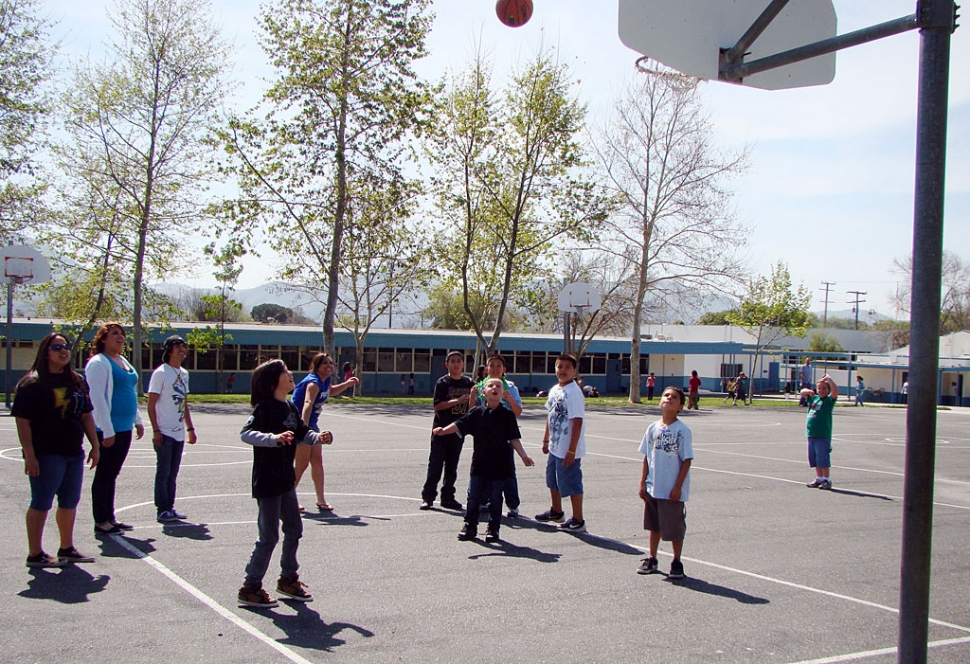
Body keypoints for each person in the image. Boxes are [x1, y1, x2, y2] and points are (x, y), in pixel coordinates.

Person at [237, 359, 331, 608]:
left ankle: (288, 579)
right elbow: (246, 433)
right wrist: (273, 438)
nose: (291, 374)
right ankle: (250, 586)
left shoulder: (289, 407)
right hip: (267, 481)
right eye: (285, 372)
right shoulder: (265, 407)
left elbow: (302, 432)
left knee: (294, 529)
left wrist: (318, 436)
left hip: (285, 480)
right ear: (272, 381)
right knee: (268, 537)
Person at [14, 333, 100, 568]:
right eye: (57, 347)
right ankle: (35, 554)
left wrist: (95, 445)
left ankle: (67, 548)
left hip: (73, 451)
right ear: (45, 352)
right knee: (41, 502)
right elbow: (23, 422)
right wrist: (29, 455)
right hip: (46, 453)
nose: (63, 351)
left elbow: (86, 415)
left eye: (66, 347)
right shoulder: (32, 383)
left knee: (70, 501)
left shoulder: (76, 381)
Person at [435, 378, 534, 542]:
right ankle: (470, 526)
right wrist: (443, 430)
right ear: (484, 392)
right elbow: (460, 424)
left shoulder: (507, 416)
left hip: (500, 466)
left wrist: (523, 455)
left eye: (499, 387)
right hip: (480, 464)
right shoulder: (476, 413)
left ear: (503, 394)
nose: (495, 388)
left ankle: (493, 529)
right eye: (491, 386)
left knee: (495, 499)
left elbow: (514, 438)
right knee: (473, 497)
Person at [86, 323, 144, 536]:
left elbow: (130, 391)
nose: (120, 337)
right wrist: (107, 429)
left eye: (122, 334)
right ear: (102, 338)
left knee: (112, 473)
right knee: (104, 473)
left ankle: (110, 517)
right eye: (114, 334)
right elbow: (97, 398)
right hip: (107, 429)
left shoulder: (124, 362)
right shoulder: (99, 363)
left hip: (124, 427)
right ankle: (101, 520)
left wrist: (137, 420)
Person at [637, 386, 693, 579]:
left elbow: (686, 460)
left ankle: (677, 561)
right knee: (654, 526)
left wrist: (678, 487)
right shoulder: (652, 428)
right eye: (666, 395)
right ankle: (652, 558)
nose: (669, 398)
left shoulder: (682, 430)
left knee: (674, 528)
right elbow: (647, 457)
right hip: (654, 486)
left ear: (680, 406)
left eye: (674, 397)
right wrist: (643, 482)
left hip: (671, 490)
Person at [292, 353, 359, 512]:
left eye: (331, 363)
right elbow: (307, 404)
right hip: (300, 424)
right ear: (317, 366)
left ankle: (321, 500)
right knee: (301, 464)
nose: (329, 366)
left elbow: (331, 391)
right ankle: (287, 498)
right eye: (325, 364)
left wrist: (347, 384)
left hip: (312, 424)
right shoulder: (313, 383)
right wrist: (304, 428)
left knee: (317, 460)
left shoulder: (325, 380)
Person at [147, 336, 197, 523]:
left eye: (184, 346)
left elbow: (184, 403)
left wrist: (190, 428)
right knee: (164, 471)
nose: (182, 350)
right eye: (178, 347)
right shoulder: (161, 373)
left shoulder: (184, 373)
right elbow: (151, 404)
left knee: (173, 472)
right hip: (164, 431)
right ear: (169, 350)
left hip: (178, 432)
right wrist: (156, 430)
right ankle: (162, 508)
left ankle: (170, 506)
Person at [535, 353, 587, 533]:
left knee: (571, 483)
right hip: (555, 446)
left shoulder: (574, 393)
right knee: (552, 479)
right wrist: (546, 439)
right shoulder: (555, 390)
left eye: (567, 367)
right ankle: (556, 511)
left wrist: (571, 451)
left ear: (574, 371)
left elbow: (577, 422)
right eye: (559, 366)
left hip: (568, 449)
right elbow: (550, 416)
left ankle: (578, 520)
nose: (562, 370)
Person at [420, 351, 475, 510]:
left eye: (459, 361)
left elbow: (474, 405)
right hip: (440, 430)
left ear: (463, 364)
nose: (456, 364)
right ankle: (428, 497)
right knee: (435, 466)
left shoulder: (469, 383)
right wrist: (457, 401)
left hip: (457, 431)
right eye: (452, 361)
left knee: (452, 466)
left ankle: (448, 497)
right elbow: (437, 406)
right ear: (447, 364)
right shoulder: (443, 382)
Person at [472, 353, 523, 518]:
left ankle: (513, 505)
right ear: (486, 369)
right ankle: (484, 500)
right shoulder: (481, 388)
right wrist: (472, 396)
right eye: (491, 366)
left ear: (504, 369)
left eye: (498, 366)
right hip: (485, 438)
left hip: (505, 436)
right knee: (484, 471)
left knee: (507, 471)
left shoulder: (510, 387)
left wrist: (510, 399)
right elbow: (473, 412)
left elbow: (518, 411)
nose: (494, 369)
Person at [801, 374, 839, 490]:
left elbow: (835, 391)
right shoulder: (814, 399)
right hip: (811, 434)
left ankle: (827, 479)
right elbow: (802, 392)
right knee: (815, 458)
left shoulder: (828, 401)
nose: (821, 390)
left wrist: (829, 379)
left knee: (823, 458)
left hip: (822, 434)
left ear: (828, 390)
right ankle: (819, 478)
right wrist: (807, 390)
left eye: (824, 388)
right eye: (819, 388)